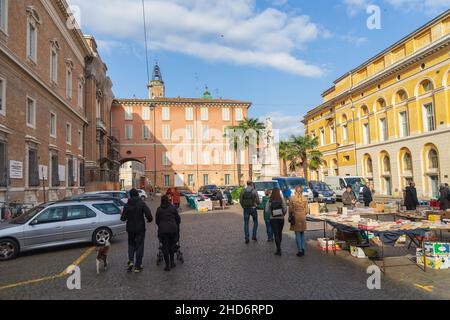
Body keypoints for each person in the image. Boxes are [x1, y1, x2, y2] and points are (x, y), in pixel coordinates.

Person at [121, 188, 153, 273]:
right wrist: (149, 220)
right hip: (140, 229)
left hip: (130, 229)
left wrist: (125, 214)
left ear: (130, 195)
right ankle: (137, 266)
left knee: (131, 245)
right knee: (139, 246)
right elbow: (149, 214)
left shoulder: (127, 205)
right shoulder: (141, 203)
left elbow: (123, 218)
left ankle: (131, 261)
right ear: (137, 195)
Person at [155, 195, 181, 272]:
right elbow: (178, 219)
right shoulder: (173, 208)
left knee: (165, 247)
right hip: (173, 230)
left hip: (163, 231)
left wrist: (161, 225)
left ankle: (167, 265)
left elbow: (157, 221)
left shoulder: (159, 209)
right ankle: (172, 262)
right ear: (168, 200)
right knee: (172, 246)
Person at [266, 188, 288, 256]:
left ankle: (278, 249)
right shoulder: (281, 199)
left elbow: (266, 210)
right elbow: (285, 208)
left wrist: (271, 214)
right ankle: (279, 246)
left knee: (275, 234)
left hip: (273, 219)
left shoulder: (270, 200)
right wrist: (283, 214)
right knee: (279, 233)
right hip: (281, 218)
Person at [289, 186, 309, 257]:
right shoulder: (305, 198)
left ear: (295, 191)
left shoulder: (292, 198)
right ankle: (303, 248)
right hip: (303, 217)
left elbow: (290, 210)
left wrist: (290, 216)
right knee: (302, 233)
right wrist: (303, 213)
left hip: (296, 217)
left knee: (297, 233)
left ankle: (300, 250)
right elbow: (307, 210)